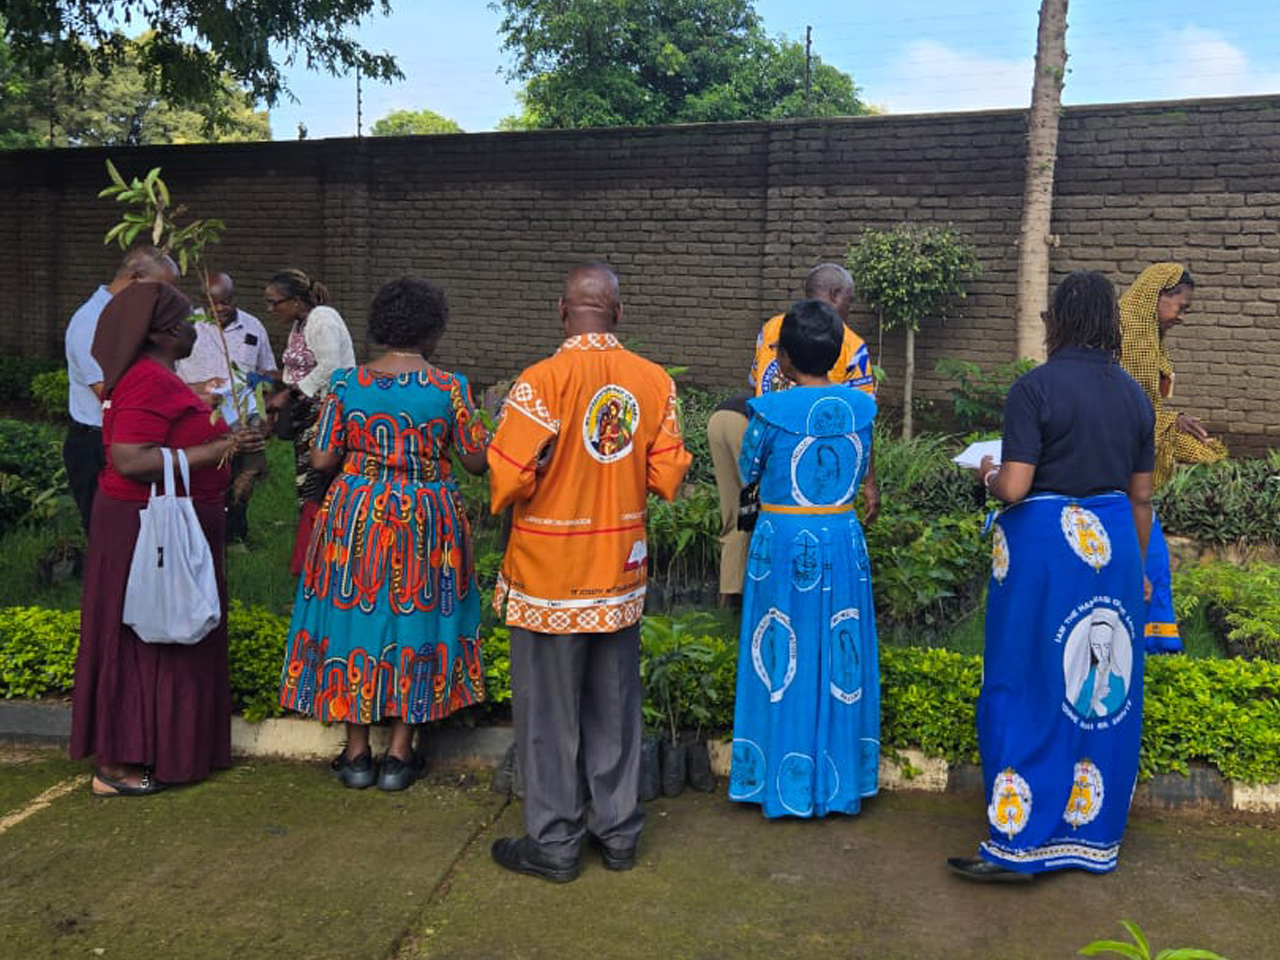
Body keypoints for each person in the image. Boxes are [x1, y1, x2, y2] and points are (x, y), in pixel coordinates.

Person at [487, 263, 691, 882]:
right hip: (618, 569)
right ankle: (619, 832)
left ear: (561, 310)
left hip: (550, 574)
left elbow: (507, 477)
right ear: (618, 314)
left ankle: (554, 841)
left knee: (549, 713)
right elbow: (667, 476)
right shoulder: (653, 382)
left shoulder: (540, 383)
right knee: (615, 705)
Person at [948, 271, 1154, 882]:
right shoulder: (1135, 396)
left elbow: (1015, 485)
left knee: (1028, 679)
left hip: (1044, 552)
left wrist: (985, 471)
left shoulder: (1034, 389)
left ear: (1058, 321)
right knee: (1100, 689)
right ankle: (1089, 837)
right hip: (1115, 547)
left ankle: (1019, 840)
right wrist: (1139, 570)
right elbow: (1142, 498)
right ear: (1110, 323)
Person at [279, 278, 489, 791]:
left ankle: (355, 756)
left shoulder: (348, 385)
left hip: (356, 513)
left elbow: (324, 458)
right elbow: (476, 461)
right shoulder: (450, 388)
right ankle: (398, 756)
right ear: (433, 329)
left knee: (353, 619)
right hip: (427, 516)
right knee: (419, 619)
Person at [70, 282, 265, 796]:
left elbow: (169, 431)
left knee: (174, 633)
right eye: (184, 322)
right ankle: (116, 765)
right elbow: (131, 459)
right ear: (159, 332)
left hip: (163, 524)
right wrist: (222, 446)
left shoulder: (156, 377)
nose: (193, 329)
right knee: (151, 635)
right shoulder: (147, 381)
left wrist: (216, 421)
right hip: (148, 530)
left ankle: (173, 751)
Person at [727, 299, 880, 819]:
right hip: (841, 537)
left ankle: (777, 780)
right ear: (838, 353)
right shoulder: (862, 409)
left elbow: (749, 468)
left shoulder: (769, 412)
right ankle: (838, 784)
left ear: (784, 359)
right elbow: (859, 473)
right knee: (839, 655)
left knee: (779, 653)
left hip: (782, 543)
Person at [1119, 263, 1227, 654]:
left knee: (1150, 558)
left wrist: (1171, 422)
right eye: (1180, 307)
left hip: (1133, 467)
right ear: (1156, 296)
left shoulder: (1150, 338)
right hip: (1120, 470)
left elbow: (1144, 405)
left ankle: (1149, 642)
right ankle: (1149, 643)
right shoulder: (1131, 339)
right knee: (1148, 558)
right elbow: (1127, 407)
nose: (1181, 317)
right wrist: (1168, 423)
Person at [749, 263, 879, 523]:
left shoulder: (771, 328)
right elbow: (864, 421)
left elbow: (756, 389)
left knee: (766, 533)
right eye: (849, 302)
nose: (849, 311)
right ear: (834, 293)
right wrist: (870, 481)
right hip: (821, 471)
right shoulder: (850, 344)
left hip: (770, 465)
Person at [63, 246, 180, 534]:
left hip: (133, 440)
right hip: (99, 445)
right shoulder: (92, 322)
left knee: (139, 533)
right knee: (110, 536)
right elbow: (110, 393)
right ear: (136, 277)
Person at [263, 268, 355, 572]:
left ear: (296, 300)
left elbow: (330, 367)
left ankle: (326, 559)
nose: (271, 309)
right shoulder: (302, 323)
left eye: (275, 302)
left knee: (319, 483)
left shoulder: (322, 319)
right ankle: (315, 555)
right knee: (308, 486)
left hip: (329, 413)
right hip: (309, 413)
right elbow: (299, 368)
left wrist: (288, 395)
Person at [177, 272, 279, 545]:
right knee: (204, 475)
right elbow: (169, 378)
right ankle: (199, 535)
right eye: (213, 303)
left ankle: (235, 534)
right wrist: (201, 388)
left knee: (246, 474)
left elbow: (268, 372)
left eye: (225, 302)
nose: (219, 309)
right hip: (201, 418)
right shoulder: (187, 326)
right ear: (202, 301)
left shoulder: (253, 327)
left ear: (235, 298)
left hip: (246, 417)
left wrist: (263, 403)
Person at [707, 392, 751, 608]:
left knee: (733, 515)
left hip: (718, 418)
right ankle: (746, 603)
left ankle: (727, 600)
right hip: (744, 423)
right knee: (755, 512)